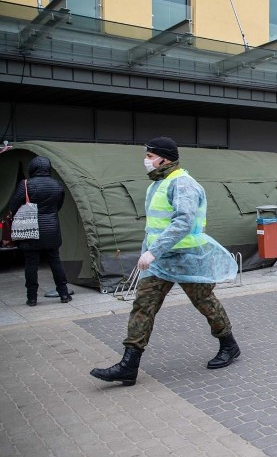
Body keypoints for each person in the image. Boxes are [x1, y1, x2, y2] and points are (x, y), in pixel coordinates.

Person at [91, 138, 241, 386]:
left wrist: (153, 252)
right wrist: (148, 252)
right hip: (159, 262)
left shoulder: (183, 184)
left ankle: (229, 344)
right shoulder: (158, 184)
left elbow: (183, 222)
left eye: (150, 156)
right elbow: (154, 227)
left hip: (187, 259)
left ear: (164, 158)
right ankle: (129, 365)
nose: (146, 161)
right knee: (143, 306)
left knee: (205, 302)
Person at [7, 156, 72, 306]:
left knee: (31, 263)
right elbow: (58, 206)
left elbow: (13, 206)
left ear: (32, 168)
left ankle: (32, 298)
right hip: (52, 229)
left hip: (31, 230)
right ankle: (63, 294)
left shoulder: (25, 185)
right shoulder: (57, 185)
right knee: (55, 261)